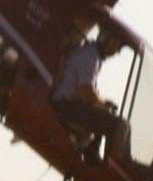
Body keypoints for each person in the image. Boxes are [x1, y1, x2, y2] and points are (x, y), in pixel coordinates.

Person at [52, 27, 130, 165]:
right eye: (117, 46)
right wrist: (104, 103)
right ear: (107, 39)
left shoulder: (92, 54)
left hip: (68, 104)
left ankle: (92, 154)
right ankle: (111, 167)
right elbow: (86, 91)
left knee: (104, 112)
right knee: (119, 125)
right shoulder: (91, 56)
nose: (117, 52)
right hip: (66, 106)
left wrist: (102, 104)